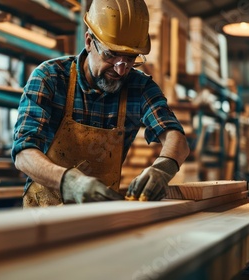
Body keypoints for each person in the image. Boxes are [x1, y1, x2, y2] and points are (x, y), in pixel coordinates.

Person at [12, 0, 190, 207]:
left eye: (130, 58)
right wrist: (70, 182)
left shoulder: (139, 87)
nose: (120, 69)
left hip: (101, 210)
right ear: (88, 41)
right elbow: (23, 154)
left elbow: (176, 137)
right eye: (111, 55)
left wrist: (163, 168)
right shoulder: (49, 77)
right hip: (43, 214)